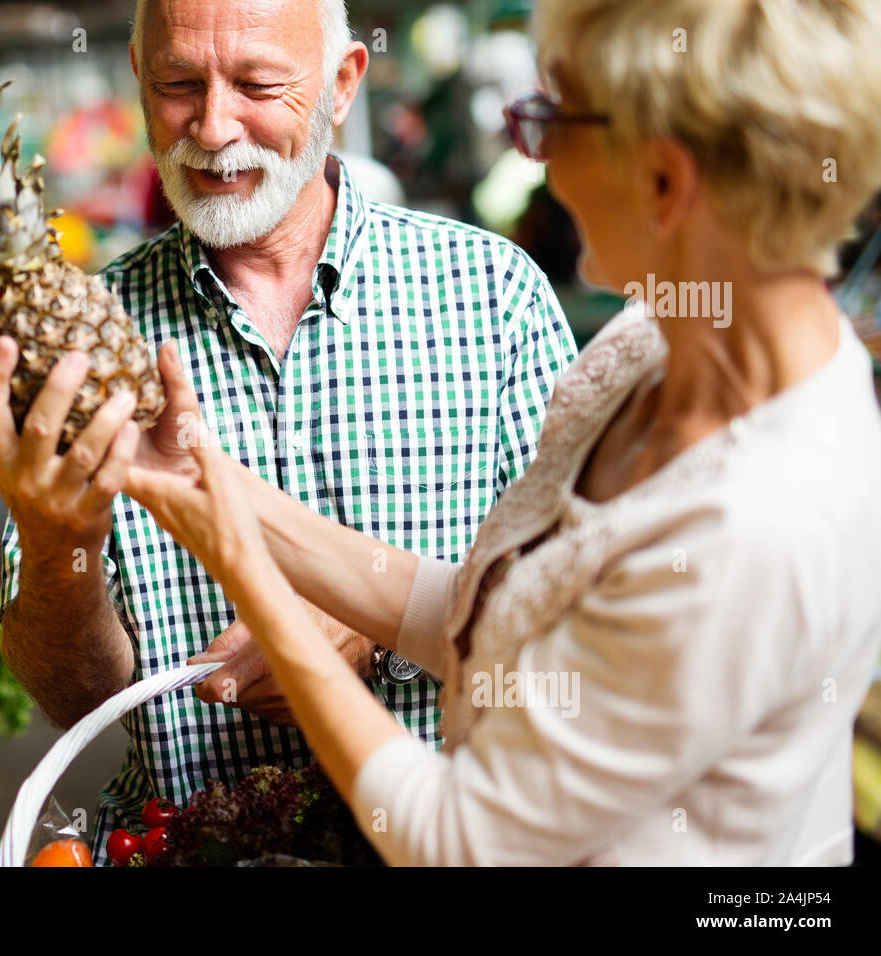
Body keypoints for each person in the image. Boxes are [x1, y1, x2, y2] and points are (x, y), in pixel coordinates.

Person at [123, 0, 881, 864]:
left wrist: (246, 572)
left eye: (553, 118)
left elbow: (459, 840)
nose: (538, 157)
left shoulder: (758, 520)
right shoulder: (647, 344)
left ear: (666, 183)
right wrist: (211, 483)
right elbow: (499, 612)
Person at [0, 0, 575, 855]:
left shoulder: (493, 297)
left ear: (341, 85)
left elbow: (571, 639)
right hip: (188, 842)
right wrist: (52, 546)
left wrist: (381, 634)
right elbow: (77, 702)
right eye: (178, 85)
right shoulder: (83, 342)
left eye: (258, 84)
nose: (214, 128)